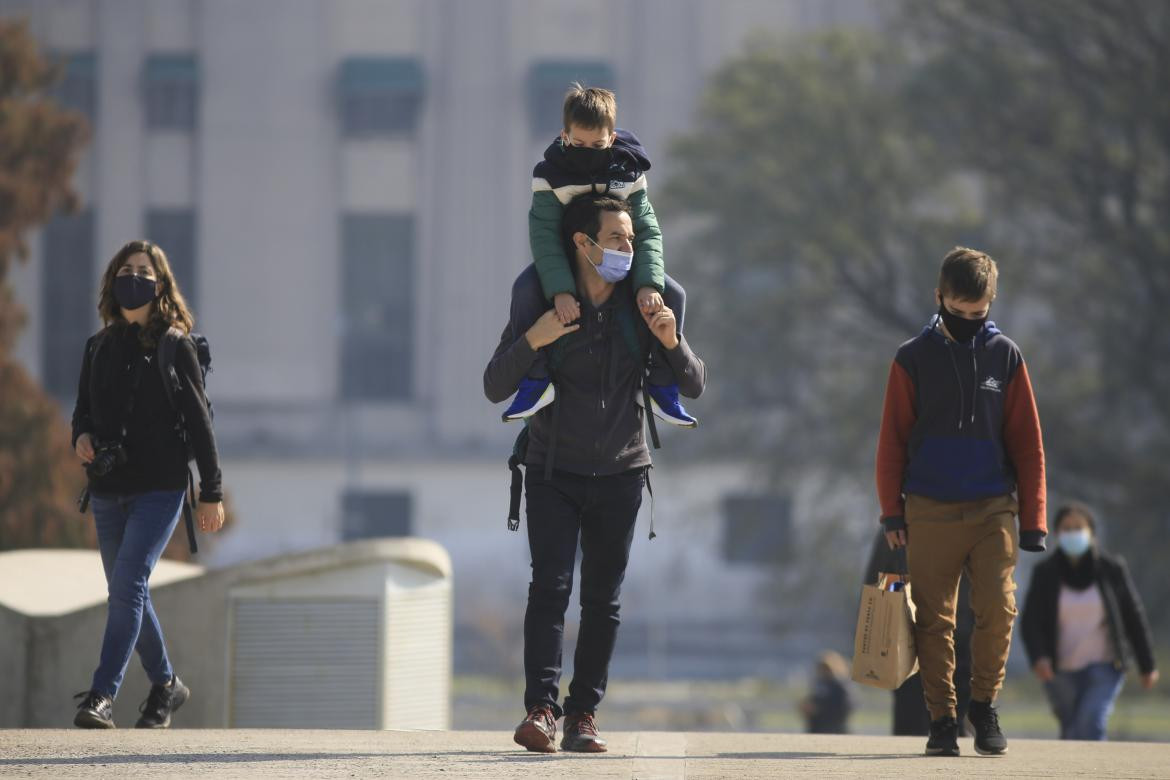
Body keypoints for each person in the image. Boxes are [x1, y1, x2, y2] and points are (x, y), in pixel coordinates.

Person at [484, 194, 706, 753]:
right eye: (615, 240)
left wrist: (670, 339)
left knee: (603, 600)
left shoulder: (649, 300)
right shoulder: (541, 296)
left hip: (622, 471)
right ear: (582, 244)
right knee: (550, 589)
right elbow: (493, 383)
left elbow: (696, 383)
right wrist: (536, 337)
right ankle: (541, 710)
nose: (627, 249)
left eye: (631, 239)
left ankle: (584, 715)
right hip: (552, 469)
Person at [875, 247, 1047, 757]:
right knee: (934, 621)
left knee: (998, 608)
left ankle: (984, 705)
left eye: (980, 314)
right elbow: (892, 442)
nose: (970, 322)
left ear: (991, 304)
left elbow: (1028, 443)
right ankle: (943, 719)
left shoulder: (1006, 356)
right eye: (959, 311)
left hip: (993, 505)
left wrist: (1034, 518)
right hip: (929, 506)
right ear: (939, 297)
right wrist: (892, 511)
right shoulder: (912, 358)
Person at [70, 240, 225, 729]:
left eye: (144, 271)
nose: (133, 278)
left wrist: (211, 491)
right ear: (112, 280)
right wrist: (82, 437)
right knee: (125, 589)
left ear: (160, 287)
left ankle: (102, 695)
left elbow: (200, 424)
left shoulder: (173, 345)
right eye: (126, 269)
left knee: (128, 585)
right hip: (108, 490)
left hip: (160, 489)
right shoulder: (98, 346)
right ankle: (166, 686)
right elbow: (82, 412)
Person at [502, 83, 696, 428]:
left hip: (622, 253)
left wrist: (647, 284)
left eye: (598, 145)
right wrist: (561, 290)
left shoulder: (630, 169)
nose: (588, 151)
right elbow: (544, 235)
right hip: (568, 260)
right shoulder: (549, 175)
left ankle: (660, 383)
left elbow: (647, 230)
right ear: (565, 135)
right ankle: (536, 379)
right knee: (524, 290)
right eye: (579, 144)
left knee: (674, 294)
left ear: (613, 137)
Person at [1021, 503, 1159, 740]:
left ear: (1091, 532)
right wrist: (1039, 657)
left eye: (1078, 527)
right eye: (1066, 528)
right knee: (1071, 728)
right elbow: (1030, 622)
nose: (1072, 533)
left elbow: (1133, 617)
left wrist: (1147, 665)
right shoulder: (1045, 572)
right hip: (1059, 669)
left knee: (1091, 721)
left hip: (1105, 666)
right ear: (1056, 534)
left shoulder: (1111, 569)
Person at [799, 650, 855, 734]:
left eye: (826, 668)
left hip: (835, 729)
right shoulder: (819, 683)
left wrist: (820, 709)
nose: (823, 671)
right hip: (817, 729)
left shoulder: (841, 685)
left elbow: (846, 707)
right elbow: (813, 700)